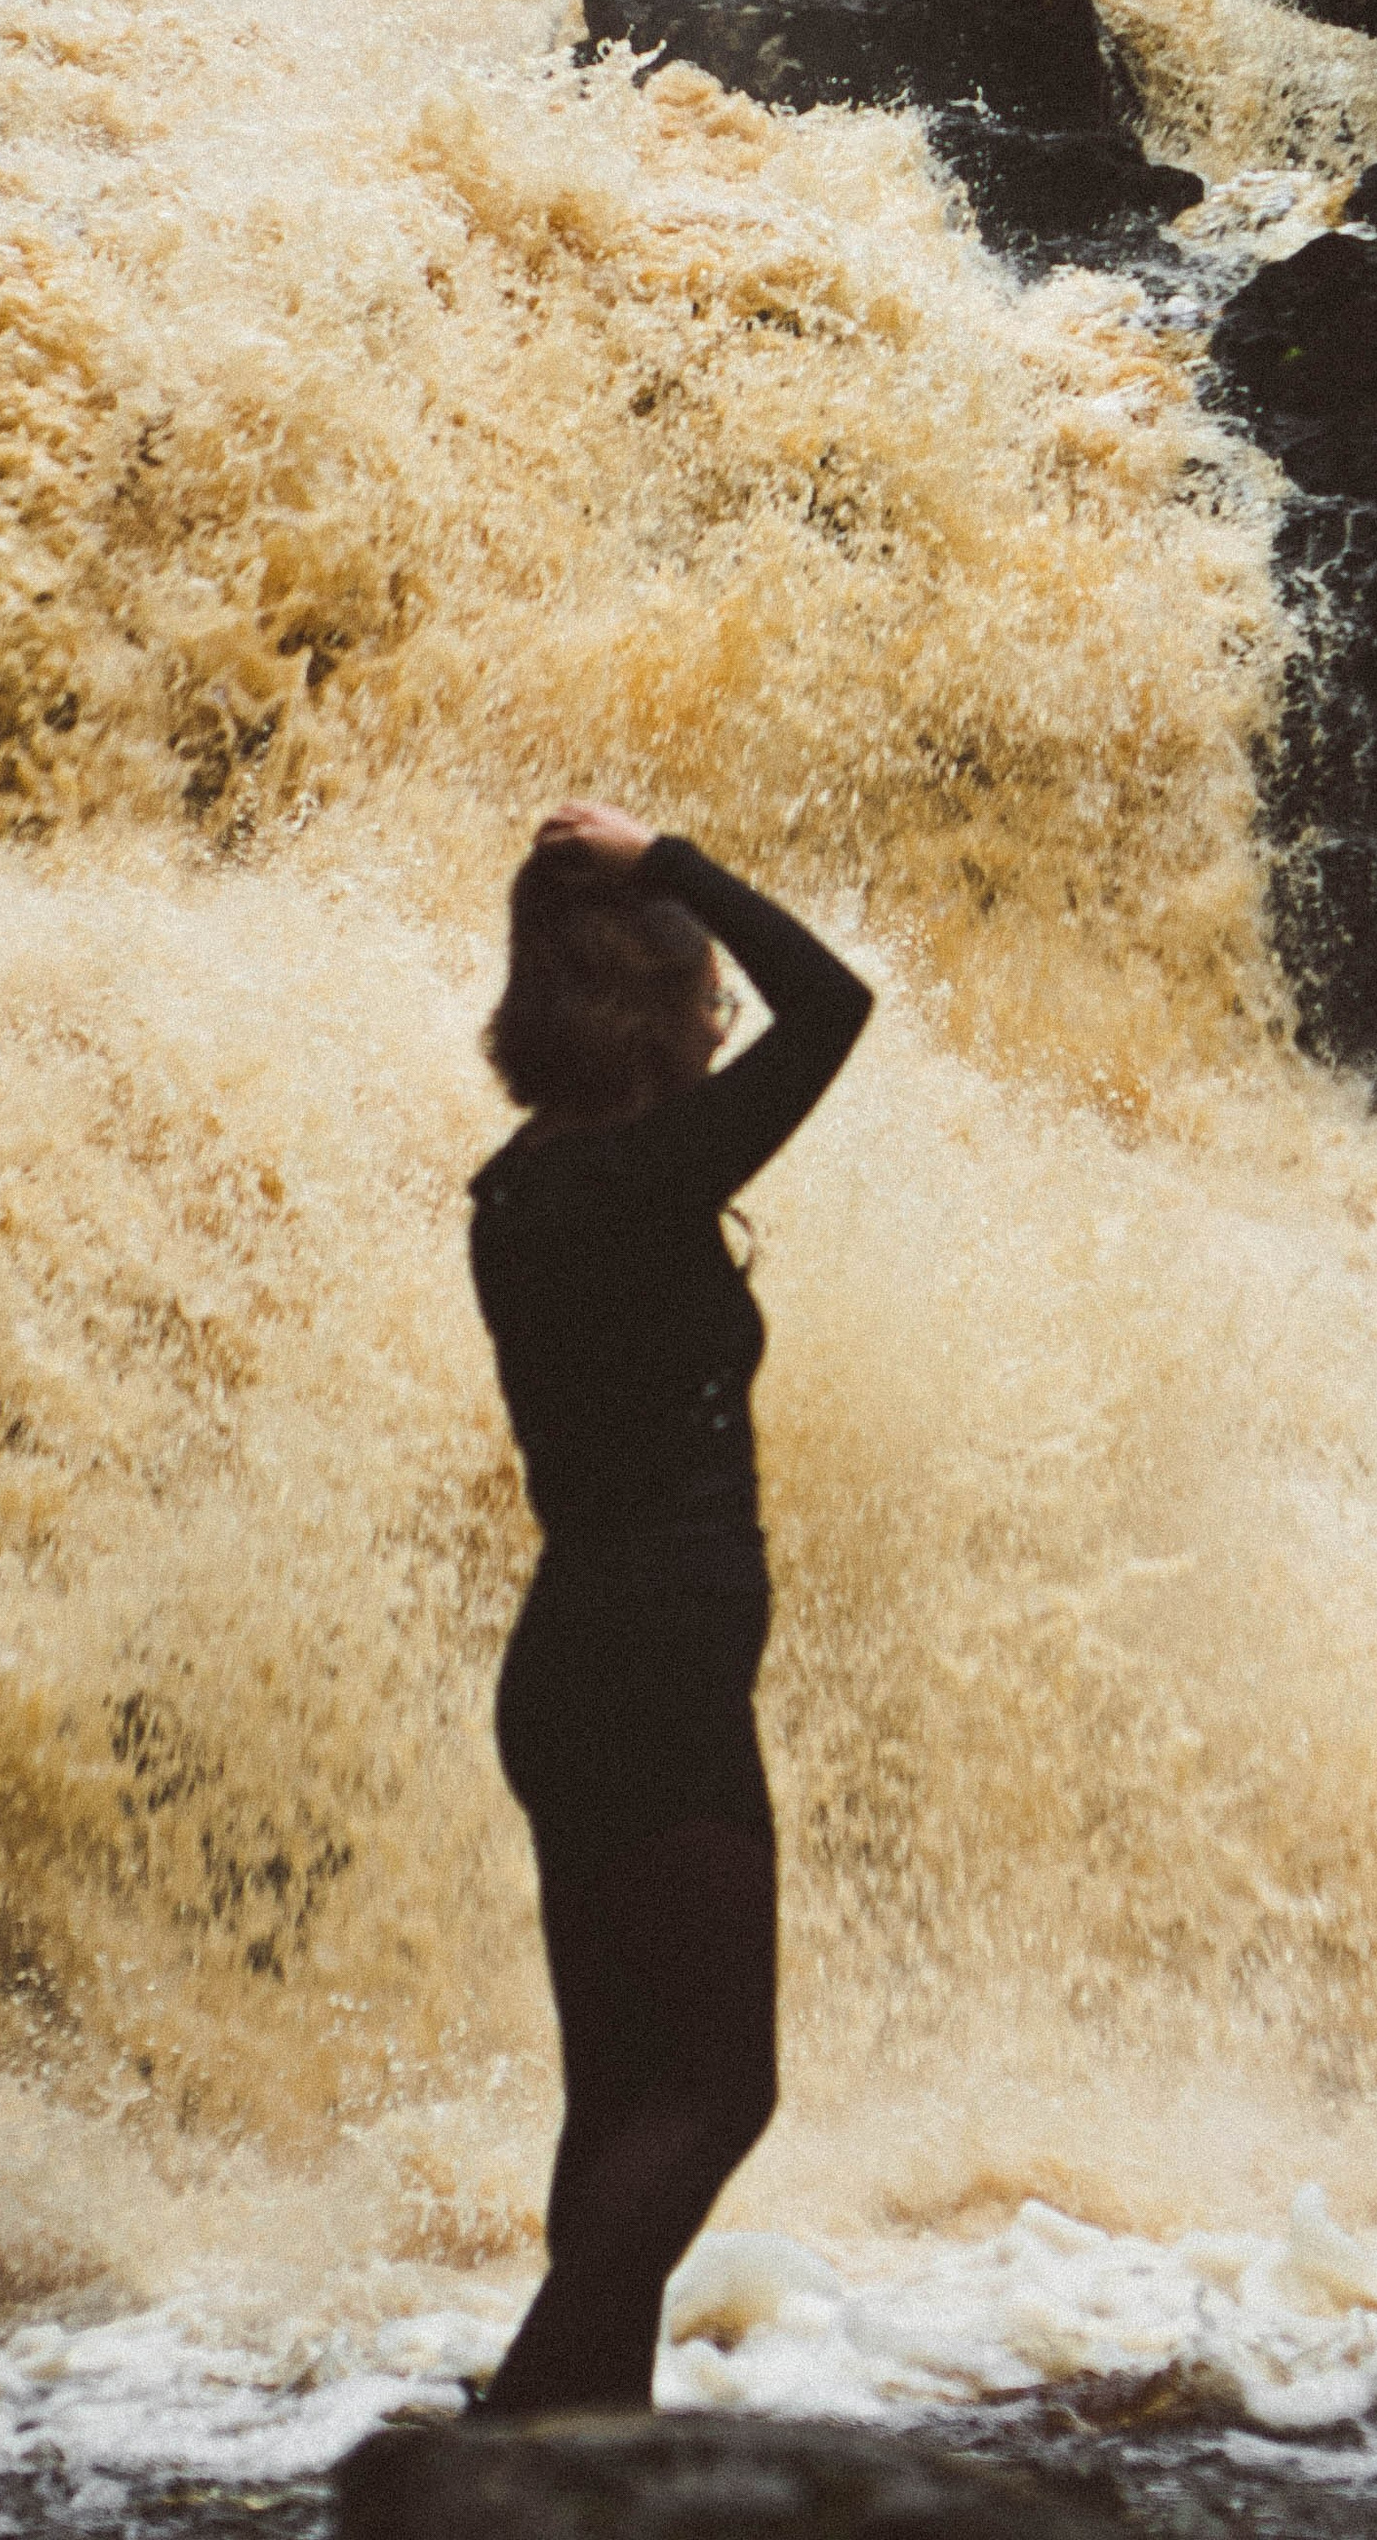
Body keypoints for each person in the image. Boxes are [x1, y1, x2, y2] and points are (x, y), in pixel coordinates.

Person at [467, 800, 873, 2414]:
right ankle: (527, 2426)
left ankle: (583, 2456)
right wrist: (676, 864)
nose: (725, 1016)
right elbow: (833, 1005)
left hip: (574, 1665)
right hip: (654, 1666)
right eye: (701, 989)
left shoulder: (522, 1191)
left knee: (621, 2091)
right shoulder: (645, 1179)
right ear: (649, 1004)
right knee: (720, 2087)